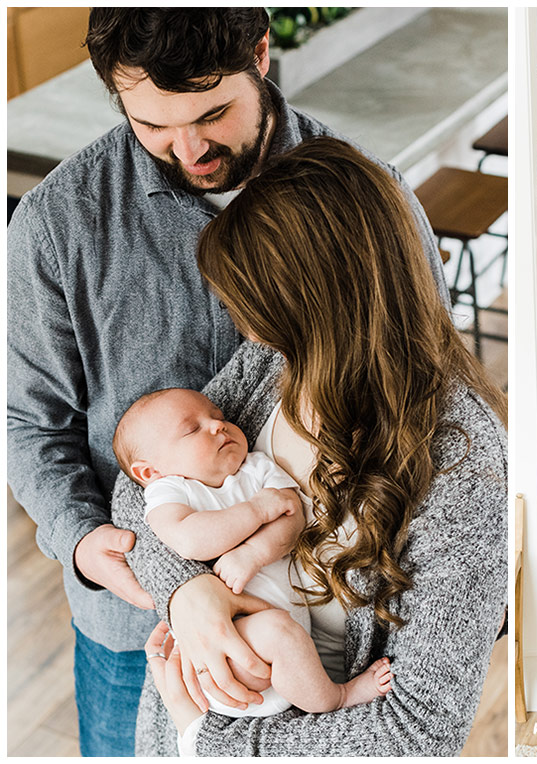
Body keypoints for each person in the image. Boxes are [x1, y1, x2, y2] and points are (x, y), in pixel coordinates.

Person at [6, 9, 447, 756]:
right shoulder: (57, 227)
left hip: (327, 622)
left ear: (262, 52)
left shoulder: (372, 199)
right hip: (135, 634)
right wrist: (82, 542)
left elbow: (422, 390)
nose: (191, 148)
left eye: (213, 113)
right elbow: (27, 423)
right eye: (152, 125)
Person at [110, 137, 508, 755]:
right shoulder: (275, 366)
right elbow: (141, 486)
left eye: (258, 309)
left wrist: (207, 739)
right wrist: (188, 595)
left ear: (322, 308)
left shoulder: (463, 461)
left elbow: (417, 731)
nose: (247, 328)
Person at [112, 387, 393, 718]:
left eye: (218, 417)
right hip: (231, 645)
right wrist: (258, 510)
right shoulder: (169, 491)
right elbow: (189, 539)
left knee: (283, 632)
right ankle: (337, 697)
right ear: (150, 472)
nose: (218, 426)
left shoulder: (256, 467)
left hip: (283, 636)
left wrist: (254, 553)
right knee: (279, 631)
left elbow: (293, 517)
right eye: (193, 428)